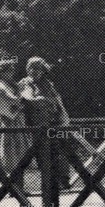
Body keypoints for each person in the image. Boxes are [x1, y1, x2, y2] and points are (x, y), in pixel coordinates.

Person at [19, 56, 74, 184]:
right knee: (42, 153)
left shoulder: (47, 83)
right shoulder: (25, 82)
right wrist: (39, 100)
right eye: (31, 68)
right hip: (37, 125)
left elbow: (58, 100)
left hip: (53, 122)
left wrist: (64, 115)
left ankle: (63, 180)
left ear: (43, 70)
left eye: (38, 69)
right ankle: (49, 186)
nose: (34, 71)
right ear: (27, 69)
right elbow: (27, 95)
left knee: (60, 150)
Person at [0, 57, 29, 195]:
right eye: (9, 70)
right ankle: (0, 189)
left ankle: (17, 189)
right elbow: (14, 102)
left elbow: (18, 103)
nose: (12, 73)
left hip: (15, 122)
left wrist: (20, 94)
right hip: (7, 122)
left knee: (18, 155)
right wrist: (22, 92)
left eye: (13, 70)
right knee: (6, 156)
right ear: (2, 72)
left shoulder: (8, 85)